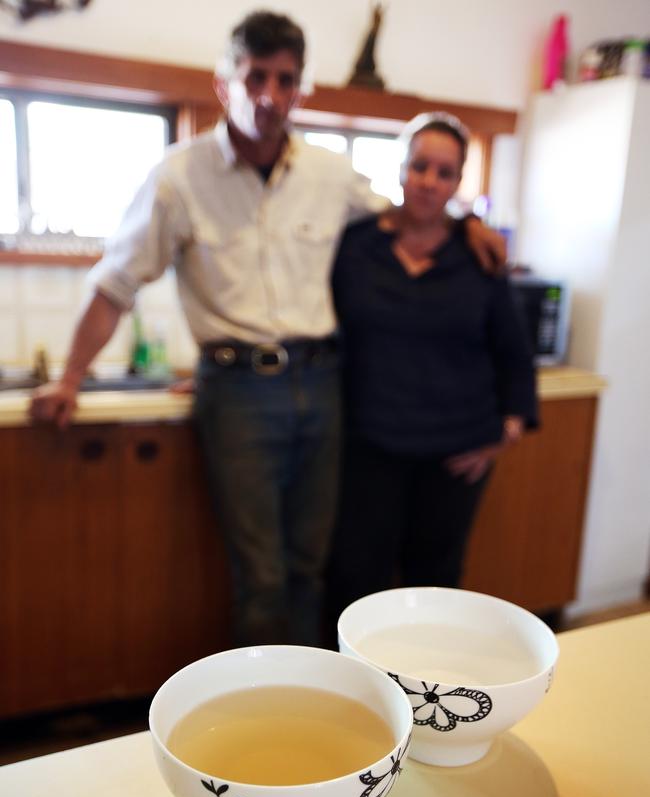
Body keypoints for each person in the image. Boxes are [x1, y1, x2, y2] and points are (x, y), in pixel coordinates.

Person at [29, 12, 506, 648]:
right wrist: (68, 379)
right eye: (256, 77)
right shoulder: (178, 176)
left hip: (325, 386)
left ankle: (312, 709)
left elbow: (410, 218)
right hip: (238, 395)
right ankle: (263, 717)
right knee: (262, 574)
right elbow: (115, 285)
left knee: (313, 567)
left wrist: (469, 218)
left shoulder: (330, 175)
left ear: (300, 88)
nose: (270, 96)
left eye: (285, 80)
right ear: (226, 82)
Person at [325, 111, 538, 630]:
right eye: (421, 166)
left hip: (456, 456)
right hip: (369, 449)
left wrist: (505, 432)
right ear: (400, 168)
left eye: (445, 172)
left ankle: (428, 702)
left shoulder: (477, 255)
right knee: (356, 583)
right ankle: (361, 703)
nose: (430, 181)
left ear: (457, 183)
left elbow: (514, 353)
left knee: (435, 586)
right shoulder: (355, 246)